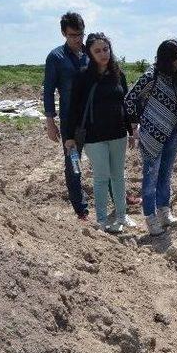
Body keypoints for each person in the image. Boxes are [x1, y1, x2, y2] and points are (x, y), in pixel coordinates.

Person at [64, 33, 137, 233]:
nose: (103, 54)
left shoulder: (117, 74)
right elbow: (73, 109)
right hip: (94, 137)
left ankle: (122, 216)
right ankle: (102, 220)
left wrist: (132, 131)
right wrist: (69, 136)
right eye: (97, 51)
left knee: (119, 176)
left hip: (118, 134)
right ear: (89, 53)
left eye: (106, 49)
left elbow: (126, 104)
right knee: (101, 177)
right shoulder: (82, 76)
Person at [124, 39, 177, 236]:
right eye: (176, 59)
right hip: (152, 136)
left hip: (172, 132)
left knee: (166, 175)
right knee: (151, 176)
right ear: (167, 59)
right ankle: (150, 217)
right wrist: (136, 123)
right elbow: (130, 99)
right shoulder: (151, 76)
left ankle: (164, 212)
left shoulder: (175, 78)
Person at [43, 12, 90, 220]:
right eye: (72, 35)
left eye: (80, 34)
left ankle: (118, 198)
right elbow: (48, 91)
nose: (78, 39)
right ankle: (81, 209)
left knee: (104, 159)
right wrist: (50, 122)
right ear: (63, 33)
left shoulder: (89, 53)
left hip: (94, 118)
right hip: (71, 122)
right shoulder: (56, 57)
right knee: (74, 164)